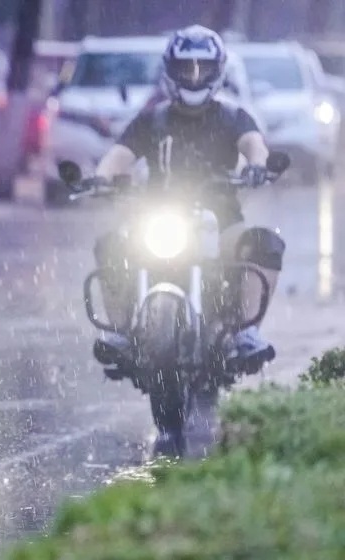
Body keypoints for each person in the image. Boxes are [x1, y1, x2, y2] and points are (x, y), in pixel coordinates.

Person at [87, 24, 286, 377]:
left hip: (221, 219)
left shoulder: (232, 116)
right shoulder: (151, 120)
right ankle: (120, 332)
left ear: (218, 71)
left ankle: (244, 332)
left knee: (264, 243)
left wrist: (258, 166)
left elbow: (254, 143)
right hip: (157, 216)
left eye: (203, 68)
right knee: (112, 244)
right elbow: (119, 154)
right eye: (185, 68)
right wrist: (102, 177)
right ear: (170, 70)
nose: (194, 76)